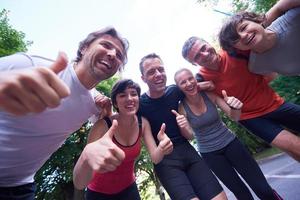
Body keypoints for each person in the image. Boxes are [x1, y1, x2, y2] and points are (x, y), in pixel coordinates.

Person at [0, 27, 129, 200]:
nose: (113, 54)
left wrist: (106, 113)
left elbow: (99, 131)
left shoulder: (94, 103)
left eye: (119, 55)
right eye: (105, 45)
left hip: (19, 188)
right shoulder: (34, 66)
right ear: (84, 48)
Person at [181, 36, 300, 162]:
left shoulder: (234, 51)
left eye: (203, 48)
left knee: (293, 150)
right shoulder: (200, 78)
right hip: (251, 118)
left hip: (274, 103)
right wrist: (199, 85)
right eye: (197, 56)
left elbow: (262, 38)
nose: (204, 54)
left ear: (208, 43)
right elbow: (180, 91)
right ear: (194, 64)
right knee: (294, 146)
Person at [173, 68, 283, 200]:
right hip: (210, 154)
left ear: (195, 79)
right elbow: (190, 136)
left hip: (231, 143)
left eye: (190, 78)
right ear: (179, 87)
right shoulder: (182, 107)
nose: (189, 83)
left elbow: (234, 116)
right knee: (242, 194)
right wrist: (184, 127)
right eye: (183, 82)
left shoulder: (209, 94)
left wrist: (236, 108)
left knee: (262, 188)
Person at [138, 53, 227, 200]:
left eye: (161, 69)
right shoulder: (140, 105)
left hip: (188, 151)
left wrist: (209, 85)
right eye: (151, 72)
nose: (158, 74)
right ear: (143, 78)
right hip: (165, 161)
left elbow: (194, 86)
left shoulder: (174, 91)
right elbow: (121, 115)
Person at [73, 79, 173, 200]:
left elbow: (156, 158)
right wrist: (86, 158)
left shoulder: (143, 123)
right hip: (98, 193)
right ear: (115, 102)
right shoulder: (103, 125)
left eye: (134, 94)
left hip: (129, 189)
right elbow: (80, 180)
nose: (129, 98)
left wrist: (162, 148)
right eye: (122, 95)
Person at [218, 0, 300, 76]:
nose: (243, 36)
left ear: (256, 21)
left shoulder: (294, 18)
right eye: (235, 39)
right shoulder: (256, 67)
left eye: (243, 28)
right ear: (236, 48)